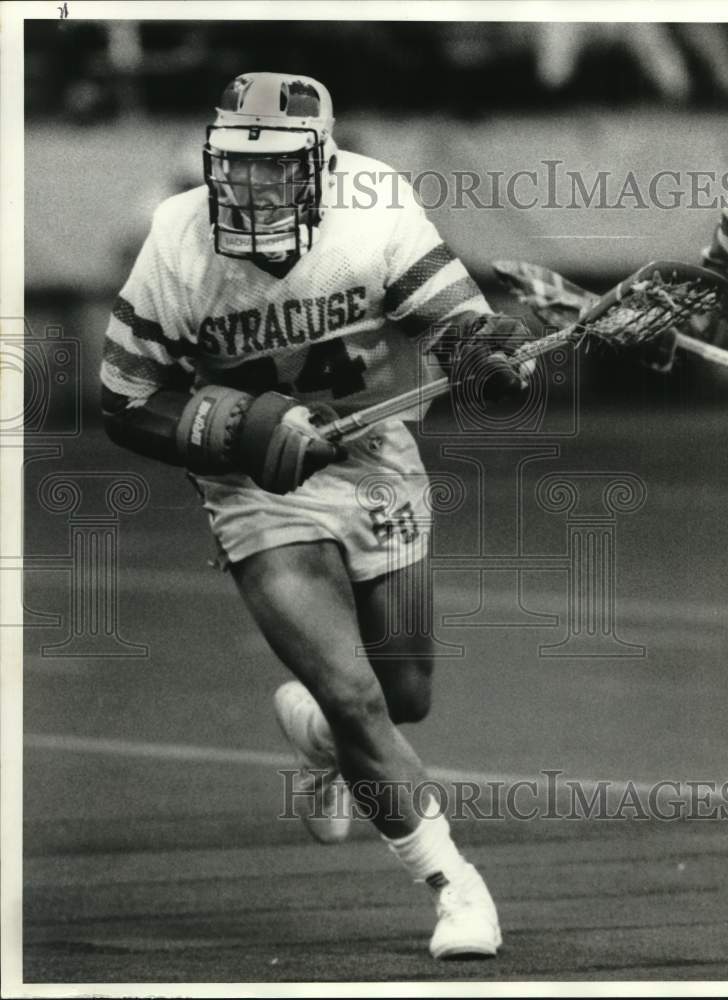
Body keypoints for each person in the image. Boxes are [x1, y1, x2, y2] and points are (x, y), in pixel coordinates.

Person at [100, 71, 532, 960]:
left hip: (373, 460)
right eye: (239, 167)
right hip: (251, 486)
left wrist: (492, 358)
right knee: (357, 694)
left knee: (403, 695)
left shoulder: (375, 206)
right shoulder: (178, 237)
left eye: (278, 168)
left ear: (325, 164)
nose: (253, 189)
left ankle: (313, 736)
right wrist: (238, 428)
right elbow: (125, 397)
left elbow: (450, 321)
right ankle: (453, 886)